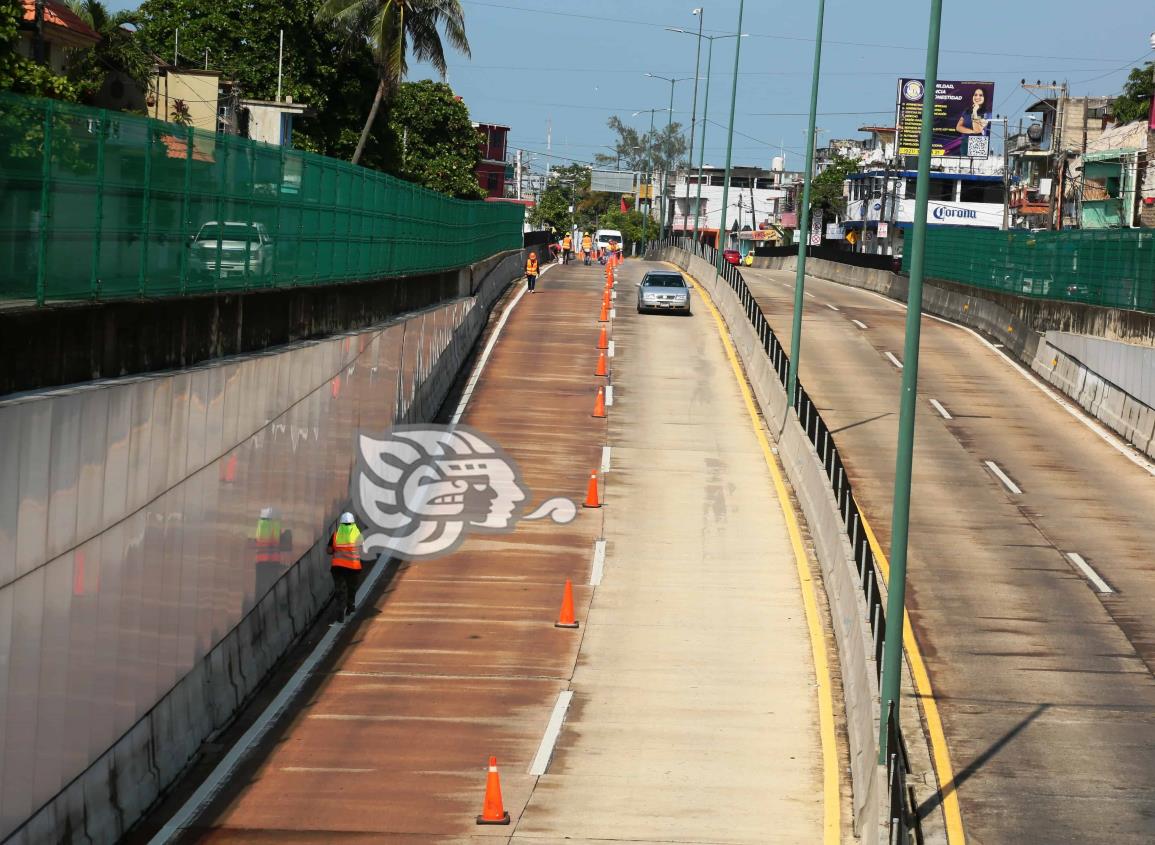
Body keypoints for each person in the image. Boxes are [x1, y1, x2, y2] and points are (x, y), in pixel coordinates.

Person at [326, 512, 363, 624]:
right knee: (352, 587)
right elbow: (361, 550)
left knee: (340, 590)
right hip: (353, 567)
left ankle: (340, 612)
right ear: (353, 523)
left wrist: (336, 550)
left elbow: (329, 550)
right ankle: (350, 606)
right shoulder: (358, 535)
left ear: (341, 523)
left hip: (338, 568)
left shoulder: (336, 535)